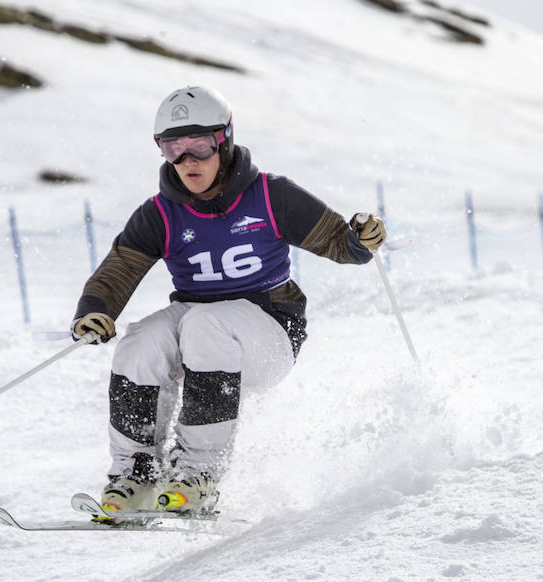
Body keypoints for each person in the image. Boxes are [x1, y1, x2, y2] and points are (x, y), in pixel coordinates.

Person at [71, 86, 385, 515]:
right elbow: (120, 268)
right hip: (199, 324)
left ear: (224, 141)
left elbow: (339, 243)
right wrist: (95, 311)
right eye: (173, 149)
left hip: (270, 328)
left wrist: (359, 240)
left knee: (205, 325)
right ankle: (135, 473)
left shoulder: (271, 196)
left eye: (199, 146)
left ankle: (199, 473)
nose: (187, 161)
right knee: (139, 340)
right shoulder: (160, 213)